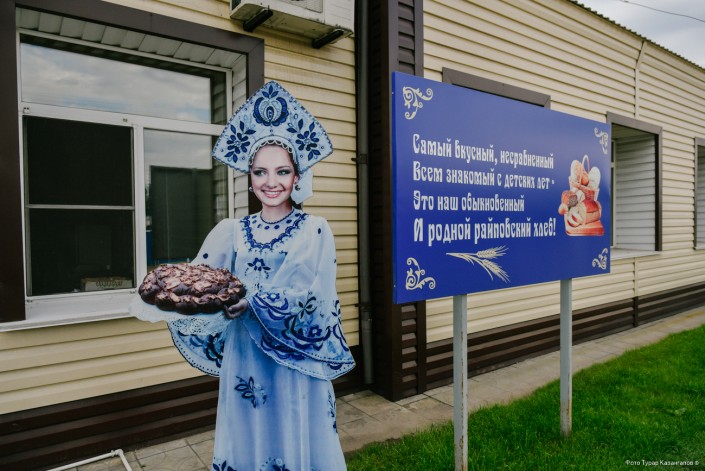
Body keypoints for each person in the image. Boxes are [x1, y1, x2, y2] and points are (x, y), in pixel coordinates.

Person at [131, 81, 355, 470]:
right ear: (249, 176)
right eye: (260, 171)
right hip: (246, 354)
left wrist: (251, 303)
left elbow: (310, 297)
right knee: (248, 430)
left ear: (297, 176)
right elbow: (200, 283)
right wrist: (176, 298)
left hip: (293, 359)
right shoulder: (232, 231)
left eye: (282, 171)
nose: (271, 182)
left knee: (292, 426)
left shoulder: (314, 230)